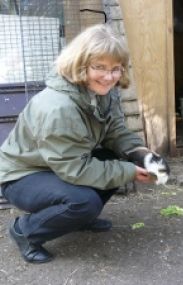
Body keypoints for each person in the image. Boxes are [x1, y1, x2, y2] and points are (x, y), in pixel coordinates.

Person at [0, 24, 168, 263]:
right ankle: (25, 231)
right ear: (80, 64)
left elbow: (115, 131)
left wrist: (142, 155)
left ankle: (78, 218)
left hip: (57, 164)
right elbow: (74, 169)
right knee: (83, 201)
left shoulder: (102, 91)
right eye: (99, 67)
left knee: (118, 160)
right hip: (23, 176)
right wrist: (129, 172)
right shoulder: (58, 107)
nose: (109, 76)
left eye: (115, 69)